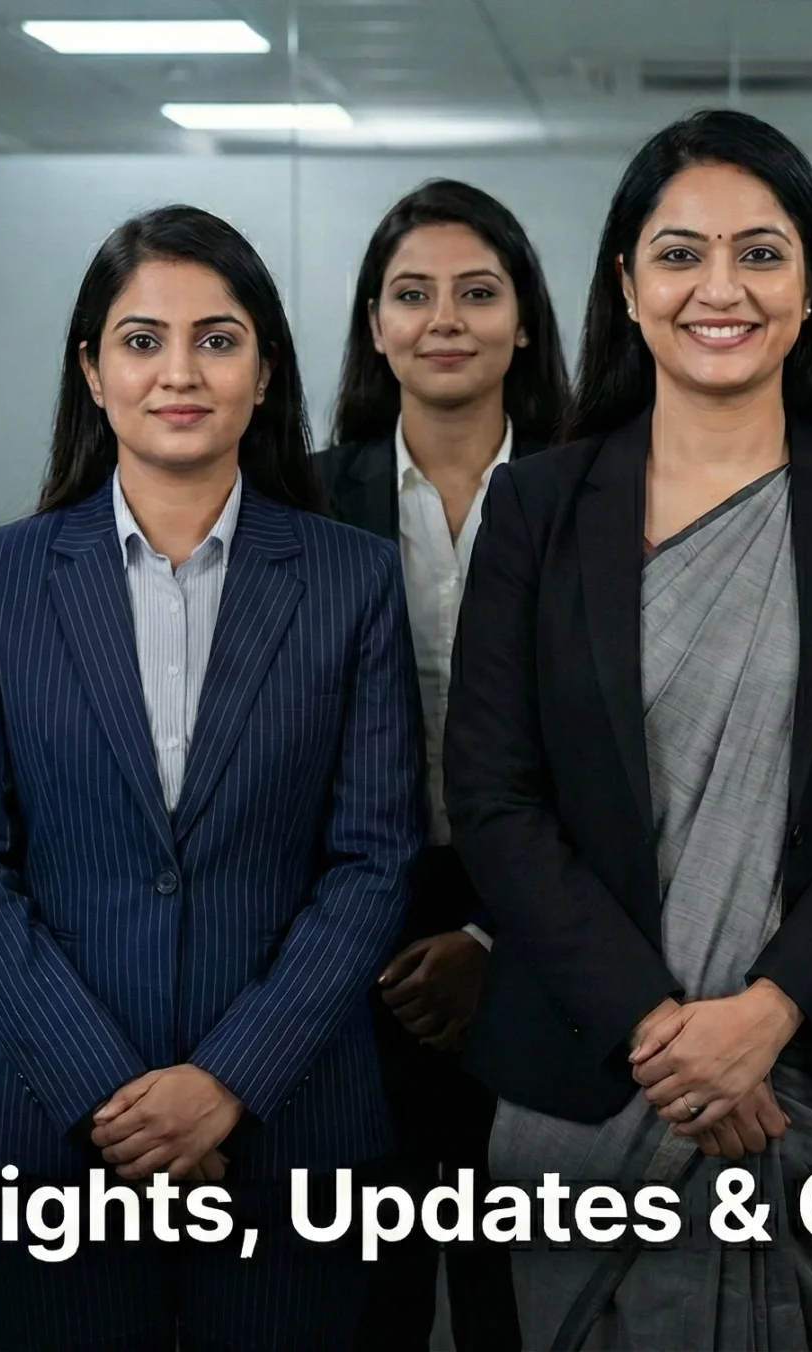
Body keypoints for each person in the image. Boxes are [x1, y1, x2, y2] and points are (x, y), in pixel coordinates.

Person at [444, 109, 812, 1349]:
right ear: (626, 286)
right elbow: (493, 795)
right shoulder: (536, 507)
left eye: (761, 252)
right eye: (680, 254)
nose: (720, 288)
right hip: (590, 1070)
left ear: (811, 286)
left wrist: (770, 1010)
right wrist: (658, 1028)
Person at [0, 205, 420, 1351]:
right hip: (54, 1128)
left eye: (217, 339)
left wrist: (228, 1079)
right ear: (93, 372)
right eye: (141, 340)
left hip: (291, 1125)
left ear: (264, 371)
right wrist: (105, 1092)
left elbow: (373, 862)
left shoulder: (351, 580)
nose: (178, 372)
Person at [316, 177, 568, 1352]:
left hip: (550, 921)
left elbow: (631, 754)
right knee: (366, 1288)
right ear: (376, 325)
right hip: (348, 926)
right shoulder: (308, 499)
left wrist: (491, 937)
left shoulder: (597, 494)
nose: (445, 319)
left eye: (478, 291)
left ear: (524, 321)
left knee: (517, 1284)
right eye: (412, 294)